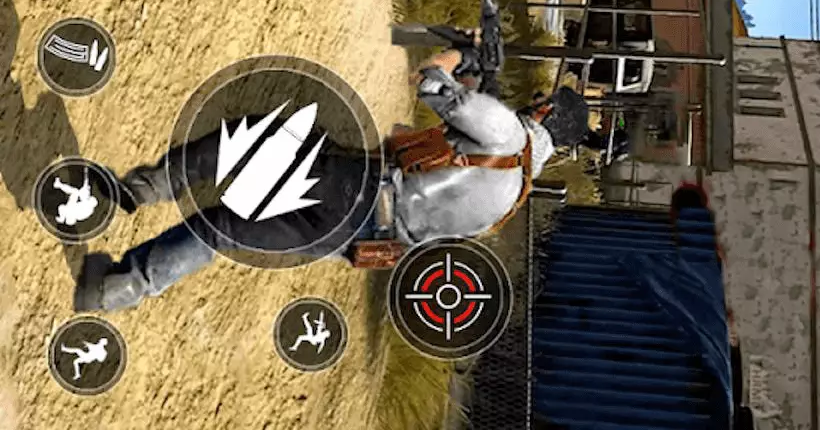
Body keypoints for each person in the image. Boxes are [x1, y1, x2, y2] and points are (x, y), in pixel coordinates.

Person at [73, 59, 589, 314]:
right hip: (361, 239)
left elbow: (438, 91)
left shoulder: (509, 132)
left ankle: (151, 186)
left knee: (259, 138)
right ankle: (120, 288)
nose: (535, 101)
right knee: (224, 228)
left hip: (356, 189)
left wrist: (446, 67)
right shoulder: (509, 202)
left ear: (545, 112)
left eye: (541, 101)